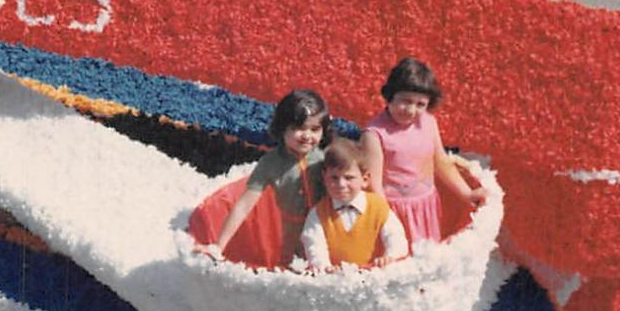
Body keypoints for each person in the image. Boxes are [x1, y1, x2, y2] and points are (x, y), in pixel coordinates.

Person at [359, 57, 485, 248]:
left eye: (420, 104)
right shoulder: (375, 134)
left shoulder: (428, 122)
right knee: (400, 260)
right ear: (389, 96)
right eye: (405, 101)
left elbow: (441, 161)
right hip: (394, 211)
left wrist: (467, 193)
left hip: (425, 206)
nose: (411, 110)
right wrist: (387, 222)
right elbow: (373, 186)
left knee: (427, 257)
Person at [196, 89, 331, 267]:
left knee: (327, 263)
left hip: (326, 224)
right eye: (299, 128)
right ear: (282, 128)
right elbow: (244, 205)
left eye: (315, 129)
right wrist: (218, 246)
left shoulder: (324, 157)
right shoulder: (271, 163)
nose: (307, 136)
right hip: (293, 228)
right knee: (293, 265)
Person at [301, 138, 408, 269]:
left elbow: (395, 236)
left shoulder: (378, 207)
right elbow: (314, 244)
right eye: (334, 178)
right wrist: (323, 265)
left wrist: (390, 256)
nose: (341, 184)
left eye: (349, 178)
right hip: (336, 280)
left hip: (375, 276)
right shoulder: (319, 213)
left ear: (364, 179)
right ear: (324, 178)